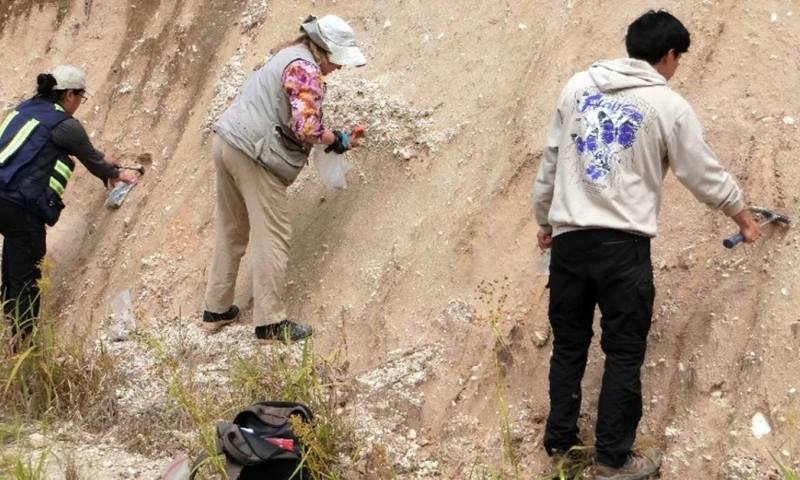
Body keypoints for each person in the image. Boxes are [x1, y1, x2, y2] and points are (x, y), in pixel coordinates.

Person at [532, 9, 762, 480]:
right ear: (669, 55)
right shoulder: (667, 105)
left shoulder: (577, 88)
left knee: (570, 345)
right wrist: (742, 214)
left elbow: (551, 159)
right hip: (622, 249)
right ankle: (613, 460)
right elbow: (700, 172)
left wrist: (545, 221)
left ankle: (561, 445)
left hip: (571, 243)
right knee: (622, 351)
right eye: (679, 60)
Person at [202, 15, 366, 342]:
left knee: (231, 229)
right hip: (255, 154)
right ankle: (271, 323)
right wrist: (335, 139)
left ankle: (216, 308)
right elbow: (305, 128)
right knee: (272, 235)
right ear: (325, 51)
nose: (340, 68)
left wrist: (332, 137)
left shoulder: (282, 55)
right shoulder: (307, 70)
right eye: (338, 61)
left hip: (227, 142)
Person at [0, 65, 135, 341]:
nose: (79, 105)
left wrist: (100, 159)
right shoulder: (65, 123)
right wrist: (116, 174)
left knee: (13, 270)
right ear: (70, 94)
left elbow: (51, 142)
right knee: (27, 281)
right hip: (19, 204)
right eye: (81, 98)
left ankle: (6, 335)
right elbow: (91, 159)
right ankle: (23, 350)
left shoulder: (26, 108)